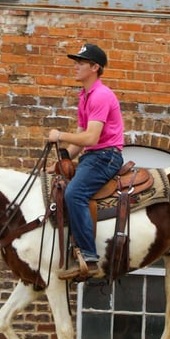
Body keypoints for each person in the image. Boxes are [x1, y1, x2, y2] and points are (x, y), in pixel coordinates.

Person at [48, 43, 125, 280]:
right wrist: (62, 160)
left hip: (105, 156)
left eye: (81, 63)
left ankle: (89, 257)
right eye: (76, 62)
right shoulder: (85, 96)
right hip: (92, 156)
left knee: (75, 194)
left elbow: (91, 138)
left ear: (95, 67)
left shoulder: (101, 95)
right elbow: (81, 140)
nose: (76, 67)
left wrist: (59, 135)